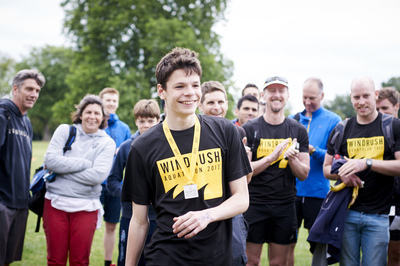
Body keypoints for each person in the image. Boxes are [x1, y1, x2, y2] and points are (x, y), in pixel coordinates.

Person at [121, 47, 252, 265]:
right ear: (161, 91)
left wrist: (207, 215)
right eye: (179, 86)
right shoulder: (142, 147)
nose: (190, 93)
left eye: (195, 85)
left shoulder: (225, 131)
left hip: (218, 257)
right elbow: (139, 220)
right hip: (166, 257)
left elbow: (241, 198)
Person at [323, 77, 400, 265]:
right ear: (351, 98)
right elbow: (327, 168)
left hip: (379, 215)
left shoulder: (392, 126)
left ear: (375, 95)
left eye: (366, 96)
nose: (361, 102)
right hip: (346, 213)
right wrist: (343, 174)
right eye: (356, 97)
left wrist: (367, 163)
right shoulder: (342, 128)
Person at [243, 76, 310, 266]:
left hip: (284, 205)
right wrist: (272, 157)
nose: (277, 95)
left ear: (288, 95)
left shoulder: (298, 130)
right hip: (254, 204)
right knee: (251, 262)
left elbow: (304, 173)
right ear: (263, 95)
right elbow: (245, 174)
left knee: (279, 263)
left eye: (281, 91)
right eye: (272, 90)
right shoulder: (250, 128)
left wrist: (292, 159)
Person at [43, 94, 116, 266]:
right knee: (55, 260)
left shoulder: (107, 143)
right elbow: (50, 161)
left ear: (103, 117)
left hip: (86, 207)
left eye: (97, 113)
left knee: (80, 261)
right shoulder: (65, 131)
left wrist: (60, 170)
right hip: (55, 204)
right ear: (81, 114)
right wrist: (85, 164)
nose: (92, 116)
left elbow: (97, 176)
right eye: (88, 112)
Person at [199, 80, 252, 266]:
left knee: (235, 258)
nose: (217, 107)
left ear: (227, 104)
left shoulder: (237, 132)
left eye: (221, 102)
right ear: (200, 104)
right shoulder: (192, 133)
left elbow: (246, 181)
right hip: (200, 209)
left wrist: (246, 161)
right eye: (211, 103)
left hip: (231, 210)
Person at [288, 77, 341, 263]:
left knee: (317, 245)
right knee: (288, 243)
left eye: (312, 98)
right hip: (292, 192)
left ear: (322, 96)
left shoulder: (334, 120)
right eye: (304, 97)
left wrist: (311, 150)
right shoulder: (293, 119)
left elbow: (336, 158)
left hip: (318, 193)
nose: (308, 102)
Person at [107, 99, 160, 266]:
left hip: (158, 218)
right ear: (136, 121)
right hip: (130, 217)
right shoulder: (126, 147)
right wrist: (134, 194)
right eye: (141, 121)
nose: (146, 125)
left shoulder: (166, 146)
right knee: (128, 261)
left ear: (158, 120)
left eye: (151, 121)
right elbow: (112, 181)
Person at [0, 69, 45, 265]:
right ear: (15, 88)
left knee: (8, 258)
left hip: (19, 203)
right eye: (29, 89)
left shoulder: (26, 121)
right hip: (3, 203)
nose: (34, 94)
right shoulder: (3, 114)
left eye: (37, 90)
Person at [99, 87, 131, 266]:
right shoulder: (95, 122)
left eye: (114, 101)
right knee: (88, 227)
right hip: (95, 184)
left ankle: (107, 261)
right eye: (108, 100)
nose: (111, 104)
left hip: (116, 185)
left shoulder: (124, 128)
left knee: (112, 226)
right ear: (101, 101)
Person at [376, 87, 400, 266]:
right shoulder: (372, 134)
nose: (380, 114)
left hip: (397, 202)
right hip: (375, 201)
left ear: (396, 107)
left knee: (395, 252)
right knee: (373, 252)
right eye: (377, 110)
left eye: (385, 109)